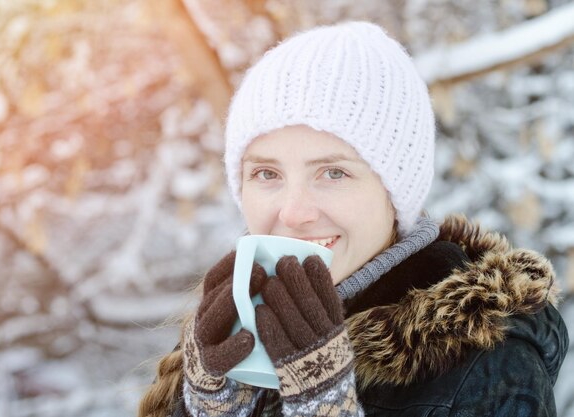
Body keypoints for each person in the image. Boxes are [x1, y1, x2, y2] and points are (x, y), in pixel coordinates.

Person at [138, 21, 568, 417]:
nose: (293, 212)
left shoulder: (490, 362)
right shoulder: (224, 340)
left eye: (333, 173)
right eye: (267, 173)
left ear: (395, 190)